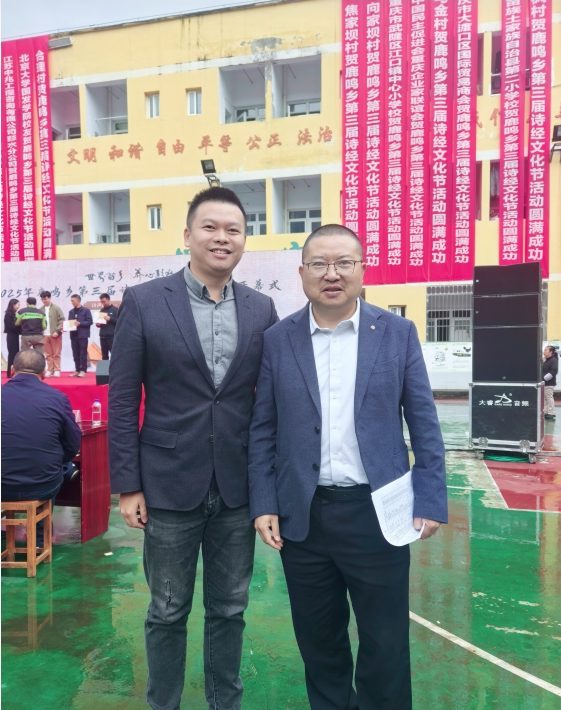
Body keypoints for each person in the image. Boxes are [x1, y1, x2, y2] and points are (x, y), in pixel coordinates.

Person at [249, 224, 447, 710]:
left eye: (344, 263)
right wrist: (264, 502)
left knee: (385, 642)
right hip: (304, 515)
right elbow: (263, 428)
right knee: (319, 642)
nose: (331, 274)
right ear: (302, 273)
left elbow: (423, 421)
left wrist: (430, 498)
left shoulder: (397, 333)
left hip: (377, 511)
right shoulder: (278, 339)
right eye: (319, 264)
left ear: (362, 269)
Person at [109, 186, 279, 710]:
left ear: (244, 240)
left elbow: (270, 404)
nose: (221, 238)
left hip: (236, 489)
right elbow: (122, 399)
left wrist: (269, 488)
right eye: (210, 227)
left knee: (229, 610)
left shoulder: (261, 309)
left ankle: (224, 703)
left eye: (233, 229)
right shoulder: (145, 301)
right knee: (166, 611)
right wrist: (127, 485)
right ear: (187, 235)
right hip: (166, 483)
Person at [1, 350, 82, 548]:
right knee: (56, 468)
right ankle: (39, 540)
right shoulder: (57, 398)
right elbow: (72, 444)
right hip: (41, 484)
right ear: (44, 373)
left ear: (12, 370)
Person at [40, 291, 65, 377]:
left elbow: (62, 320)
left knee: (56, 353)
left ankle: (57, 369)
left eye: (45, 299)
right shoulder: (40, 310)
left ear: (50, 298)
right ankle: (50, 370)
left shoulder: (56, 308)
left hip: (55, 335)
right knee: (48, 354)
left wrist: (57, 331)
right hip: (44, 335)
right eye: (42, 299)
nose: (44, 301)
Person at [68, 294, 92, 377]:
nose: (72, 302)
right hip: (73, 335)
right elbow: (69, 323)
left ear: (78, 301)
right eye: (71, 301)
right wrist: (65, 327)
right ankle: (77, 369)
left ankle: (83, 370)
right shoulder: (71, 311)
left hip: (82, 335)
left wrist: (80, 323)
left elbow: (90, 321)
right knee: (75, 354)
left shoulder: (86, 310)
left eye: (73, 301)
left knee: (83, 353)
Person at [96, 293, 119, 360]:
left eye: (104, 301)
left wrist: (110, 319)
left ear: (109, 299)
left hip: (111, 336)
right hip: (102, 336)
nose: (103, 303)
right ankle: (105, 367)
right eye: (101, 302)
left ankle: (115, 367)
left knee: (114, 354)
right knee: (104, 356)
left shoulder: (115, 310)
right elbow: (100, 322)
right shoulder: (102, 310)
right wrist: (98, 324)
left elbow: (120, 321)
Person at [4, 298, 21, 378]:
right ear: (13, 304)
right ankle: (10, 373)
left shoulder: (14, 314)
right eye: (17, 305)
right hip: (11, 336)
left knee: (15, 354)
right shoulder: (8, 314)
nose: (18, 307)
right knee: (12, 354)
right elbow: (11, 326)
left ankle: (13, 372)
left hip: (15, 336)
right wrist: (21, 328)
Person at [542, 345, 558, 420]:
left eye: (546, 350)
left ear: (550, 352)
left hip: (549, 383)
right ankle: (546, 411)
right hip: (545, 383)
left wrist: (544, 379)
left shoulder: (553, 360)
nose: (544, 351)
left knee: (549, 397)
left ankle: (551, 412)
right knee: (545, 398)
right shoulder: (547, 360)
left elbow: (553, 371)